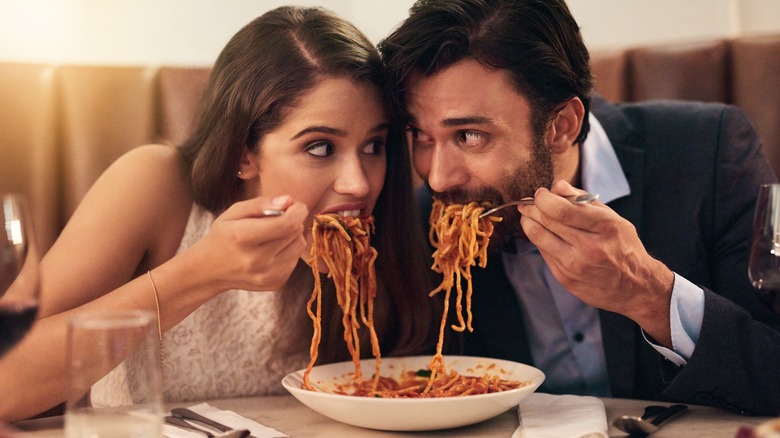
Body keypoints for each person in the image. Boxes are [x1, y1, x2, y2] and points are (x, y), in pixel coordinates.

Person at [0, 6, 439, 422]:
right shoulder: (155, 184)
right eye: (320, 147)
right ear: (244, 154)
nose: (359, 183)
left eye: (374, 146)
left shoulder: (393, 221)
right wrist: (202, 272)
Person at [379, 0, 780, 415]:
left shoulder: (709, 153)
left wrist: (648, 293)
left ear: (562, 126)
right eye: (420, 135)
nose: (439, 177)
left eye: (469, 135)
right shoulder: (424, 223)